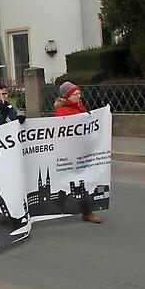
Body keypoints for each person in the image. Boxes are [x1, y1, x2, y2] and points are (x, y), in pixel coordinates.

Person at [54, 81, 102, 224]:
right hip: (70, 153)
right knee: (76, 182)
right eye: (75, 94)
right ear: (67, 97)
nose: (78, 96)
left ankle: (83, 210)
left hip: (82, 151)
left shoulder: (80, 107)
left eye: (78, 93)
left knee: (81, 181)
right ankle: (84, 211)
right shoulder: (62, 112)